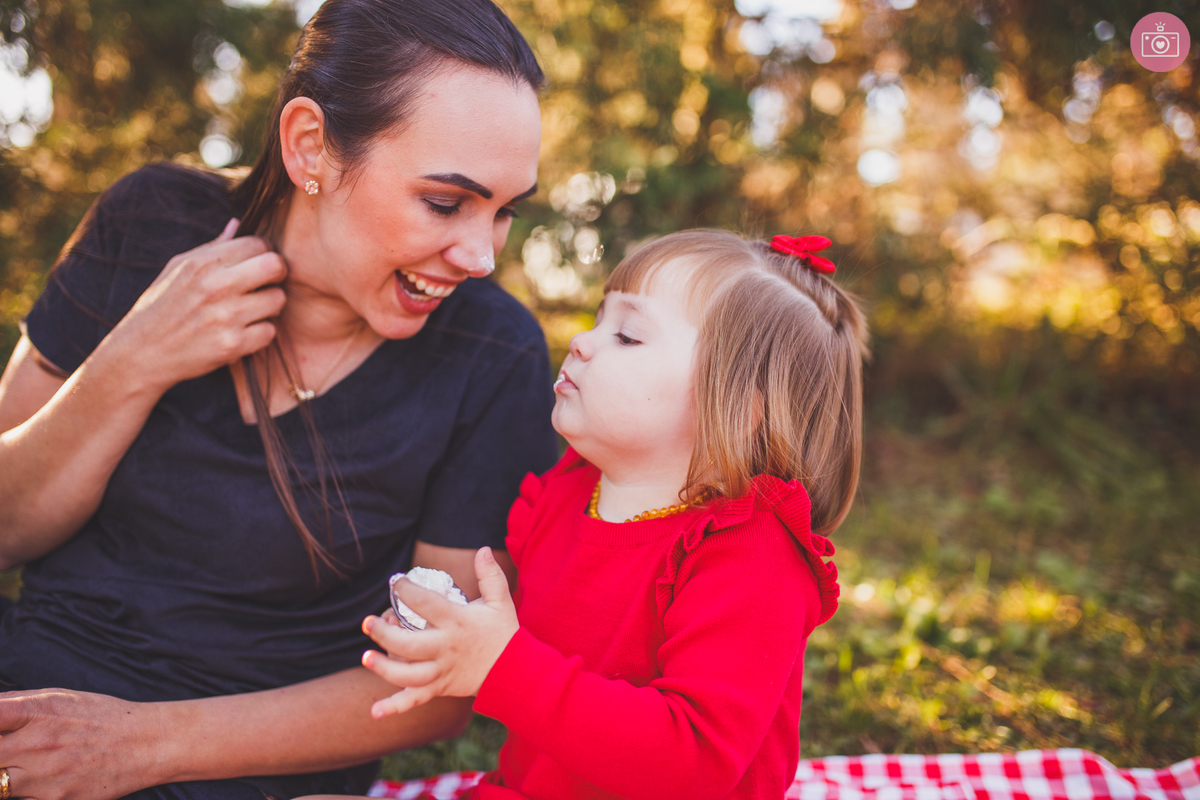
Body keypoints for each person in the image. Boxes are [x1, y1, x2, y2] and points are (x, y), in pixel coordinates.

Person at [0, 1, 557, 799]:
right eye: (445, 202)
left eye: (504, 211)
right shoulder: (152, 221)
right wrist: (132, 360)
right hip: (26, 691)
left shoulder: (491, 354)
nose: (479, 255)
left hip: (244, 768)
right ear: (310, 146)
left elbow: (442, 687)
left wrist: (139, 746)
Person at [352, 230, 870, 799]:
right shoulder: (568, 496)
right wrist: (458, 638)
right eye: (599, 319)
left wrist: (505, 667)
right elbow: (547, 648)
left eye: (626, 335)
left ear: (743, 406)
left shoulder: (749, 553)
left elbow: (692, 761)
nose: (581, 340)